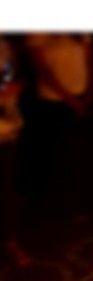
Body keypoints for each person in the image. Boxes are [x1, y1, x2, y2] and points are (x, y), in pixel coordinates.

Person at [24, 34, 93, 212]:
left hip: (81, 95)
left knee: (79, 154)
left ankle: (80, 203)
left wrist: (90, 93)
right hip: (54, 100)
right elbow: (42, 69)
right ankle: (58, 206)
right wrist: (71, 100)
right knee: (58, 154)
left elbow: (91, 60)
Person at [0, 35, 30, 266]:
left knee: (7, 190)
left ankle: (10, 241)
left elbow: (9, 76)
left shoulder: (5, 46)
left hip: (7, 129)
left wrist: (13, 88)